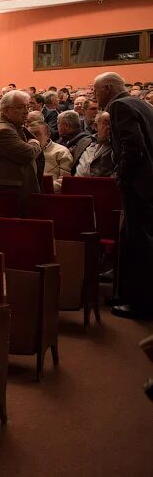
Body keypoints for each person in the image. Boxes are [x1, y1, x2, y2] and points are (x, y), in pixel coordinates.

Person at [95, 72, 153, 319]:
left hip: (138, 186)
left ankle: (140, 304)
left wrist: (122, 175)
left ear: (107, 88)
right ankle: (135, 297)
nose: (95, 95)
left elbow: (133, 146)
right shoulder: (143, 104)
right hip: (148, 185)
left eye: (96, 90)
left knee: (138, 243)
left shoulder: (119, 105)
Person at [0, 90, 43, 206]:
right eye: (20, 108)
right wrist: (35, 142)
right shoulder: (2, 130)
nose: (26, 112)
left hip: (11, 192)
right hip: (5, 195)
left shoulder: (12, 125)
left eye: (27, 107)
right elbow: (28, 154)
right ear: (5, 109)